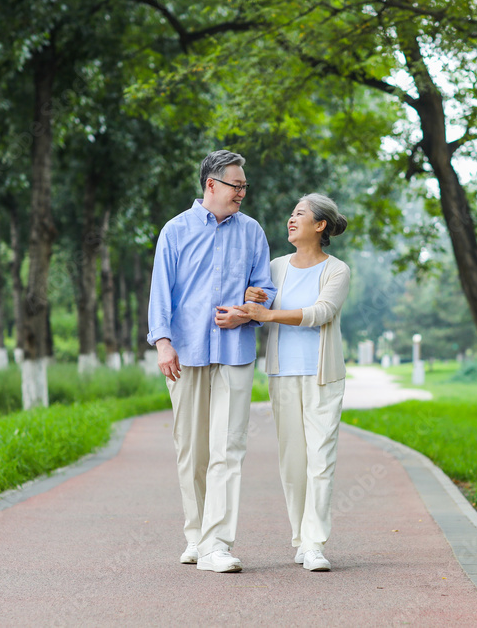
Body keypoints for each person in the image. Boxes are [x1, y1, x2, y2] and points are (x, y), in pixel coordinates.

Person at [147, 150, 277, 573]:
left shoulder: (253, 232)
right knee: (191, 449)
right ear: (211, 185)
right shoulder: (176, 230)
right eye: (235, 185)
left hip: (235, 351)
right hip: (185, 353)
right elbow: (161, 291)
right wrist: (163, 342)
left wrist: (249, 309)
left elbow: (264, 289)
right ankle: (196, 535)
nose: (241, 192)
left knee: (229, 447)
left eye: (244, 186)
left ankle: (217, 543)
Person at [225, 193, 350, 572]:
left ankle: (315, 544)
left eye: (300, 214)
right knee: (292, 462)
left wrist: (270, 312)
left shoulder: (337, 270)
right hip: (282, 374)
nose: (291, 219)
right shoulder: (276, 266)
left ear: (320, 225)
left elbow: (322, 312)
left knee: (321, 459)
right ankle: (300, 538)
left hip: (321, 375)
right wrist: (253, 299)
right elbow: (258, 305)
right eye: (291, 213)